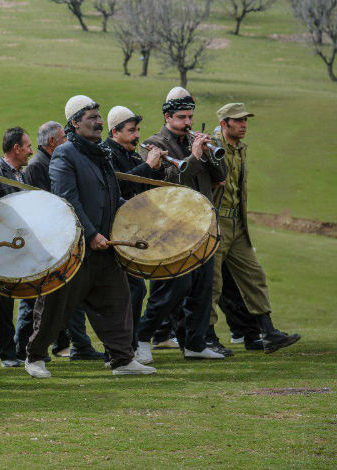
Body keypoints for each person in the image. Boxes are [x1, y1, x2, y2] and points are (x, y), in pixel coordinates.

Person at [25, 95, 155, 378]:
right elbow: (67, 199)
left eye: (99, 116)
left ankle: (122, 359)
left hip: (105, 247)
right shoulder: (65, 153)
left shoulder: (100, 153)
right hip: (77, 247)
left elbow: (110, 196)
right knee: (56, 305)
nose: (98, 122)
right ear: (74, 123)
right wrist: (92, 233)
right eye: (91, 118)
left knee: (118, 301)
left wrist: (133, 215)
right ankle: (35, 357)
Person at [134, 87, 228, 364]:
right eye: (182, 117)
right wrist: (195, 156)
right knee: (172, 288)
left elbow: (221, 176)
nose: (188, 122)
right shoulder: (153, 144)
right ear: (167, 116)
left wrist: (209, 154)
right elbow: (171, 181)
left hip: (202, 224)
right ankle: (142, 337)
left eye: (190, 116)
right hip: (172, 226)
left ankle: (195, 344)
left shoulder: (194, 141)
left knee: (202, 287)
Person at [208, 103, 300, 353]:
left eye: (245, 120)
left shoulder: (239, 148)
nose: (244, 125)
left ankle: (268, 332)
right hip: (215, 223)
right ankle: (206, 338)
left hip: (237, 224)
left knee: (254, 276)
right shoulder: (211, 146)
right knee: (212, 284)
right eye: (238, 121)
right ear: (224, 123)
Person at [18, 121, 105, 362]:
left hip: (61, 237)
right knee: (38, 302)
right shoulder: (38, 165)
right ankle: (26, 347)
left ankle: (75, 344)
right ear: (53, 142)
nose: (68, 143)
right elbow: (45, 201)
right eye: (63, 139)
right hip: (49, 239)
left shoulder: (49, 161)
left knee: (63, 298)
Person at [103, 106, 166, 350]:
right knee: (130, 290)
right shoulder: (108, 152)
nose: (137, 135)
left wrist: (157, 167)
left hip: (132, 231)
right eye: (131, 131)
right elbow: (117, 186)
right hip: (116, 231)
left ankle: (129, 345)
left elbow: (145, 190)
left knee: (136, 290)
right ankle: (124, 346)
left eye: (138, 129)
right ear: (114, 132)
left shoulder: (131, 153)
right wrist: (148, 166)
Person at [0, 127, 32, 368]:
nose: (31, 151)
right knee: (2, 303)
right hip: (4, 249)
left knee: (27, 296)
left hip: (22, 246)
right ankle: (5, 353)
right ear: (16, 148)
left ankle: (21, 348)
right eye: (27, 146)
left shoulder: (21, 174)